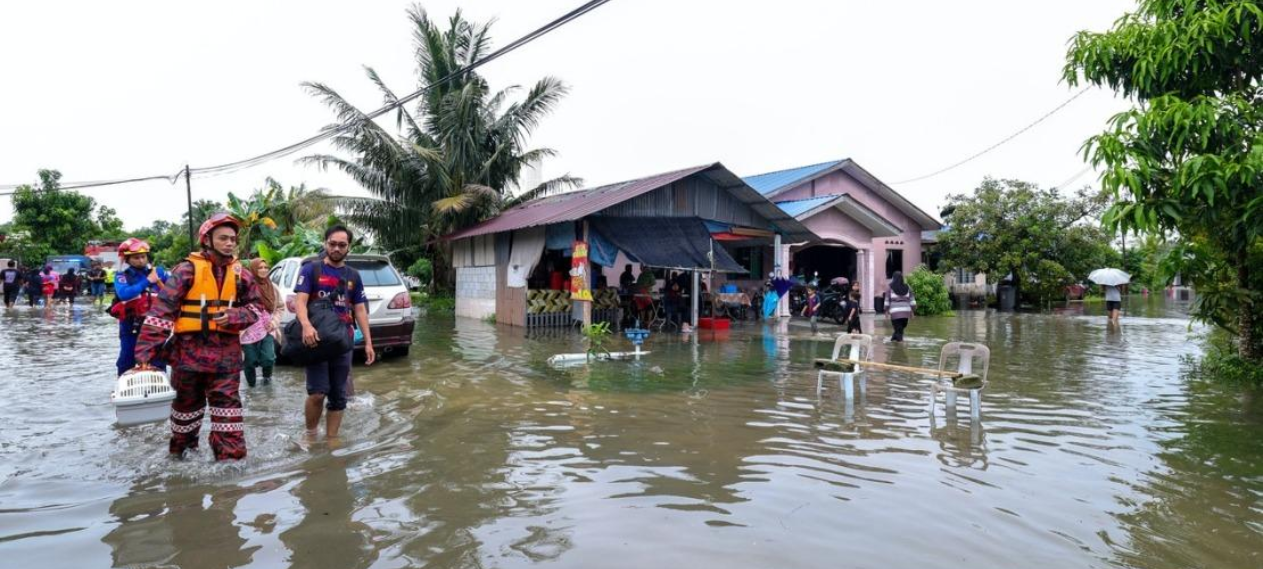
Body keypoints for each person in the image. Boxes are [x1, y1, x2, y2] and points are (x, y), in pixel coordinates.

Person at [134, 213, 263, 461]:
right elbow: (161, 314)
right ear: (207, 240)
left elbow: (257, 309)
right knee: (184, 418)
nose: (229, 243)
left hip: (226, 360)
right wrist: (144, 358)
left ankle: (229, 474)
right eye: (223, 238)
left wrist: (237, 315)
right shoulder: (186, 271)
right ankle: (181, 465)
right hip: (187, 358)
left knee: (229, 421)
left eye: (233, 239)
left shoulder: (241, 274)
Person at [296, 225, 375, 440]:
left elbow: (359, 309)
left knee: (339, 396)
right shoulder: (311, 270)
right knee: (317, 393)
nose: (337, 248)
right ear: (325, 244)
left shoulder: (354, 276)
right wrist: (306, 325)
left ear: (348, 247)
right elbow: (300, 302)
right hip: (316, 340)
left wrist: (368, 342)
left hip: (343, 341)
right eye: (332, 244)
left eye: (342, 245)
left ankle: (332, 439)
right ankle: (310, 435)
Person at [113, 238, 168, 376]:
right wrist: (148, 281)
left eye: (143, 256)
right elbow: (124, 294)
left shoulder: (159, 272)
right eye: (136, 258)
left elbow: (173, 291)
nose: (141, 260)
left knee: (157, 356)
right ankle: (123, 383)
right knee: (127, 357)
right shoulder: (122, 276)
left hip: (155, 321)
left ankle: (161, 383)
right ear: (127, 259)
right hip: (131, 323)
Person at [240, 258, 282, 387]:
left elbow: (280, 307)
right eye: (260, 268)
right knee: (250, 360)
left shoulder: (272, 287)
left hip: (267, 328)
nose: (263, 270)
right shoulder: (246, 287)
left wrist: (274, 322)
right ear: (253, 269)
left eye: (265, 267)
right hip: (248, 331)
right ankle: (251, 387)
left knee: (269, 358)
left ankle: (267, 380)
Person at [884, 271, 915, 342]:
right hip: (906, 312)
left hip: (895, 312)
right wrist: (912, 311)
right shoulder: (908, 287)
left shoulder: (890, 288)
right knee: (900, 329)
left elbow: (887, 301)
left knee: (898, 329)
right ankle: (894, 340)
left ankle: (900, 346)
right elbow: (912, 301)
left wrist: (886, 311)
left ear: (893, 278)